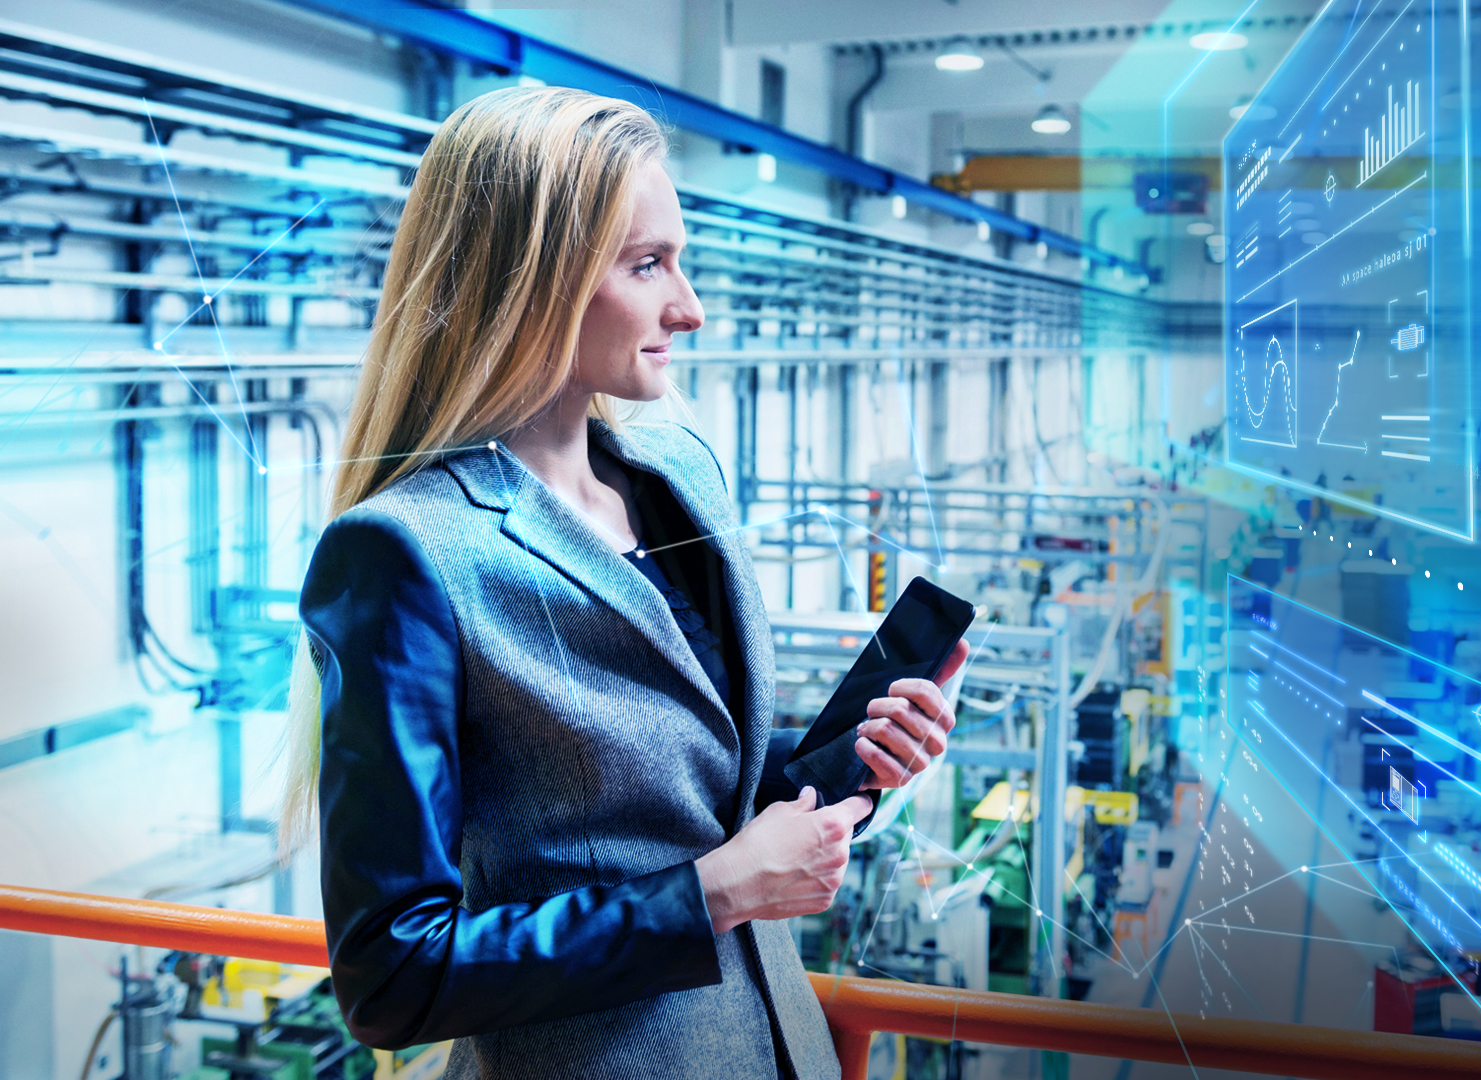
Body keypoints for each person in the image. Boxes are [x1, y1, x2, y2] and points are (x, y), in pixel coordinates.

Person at [280, 85, 967, 1079]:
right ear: (531, 281)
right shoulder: (407, 554)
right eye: (648, 266)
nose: (687, 308)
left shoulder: (680, 475)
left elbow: (690, 788)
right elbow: (392, 975)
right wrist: (717, 893)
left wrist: (851, 754)